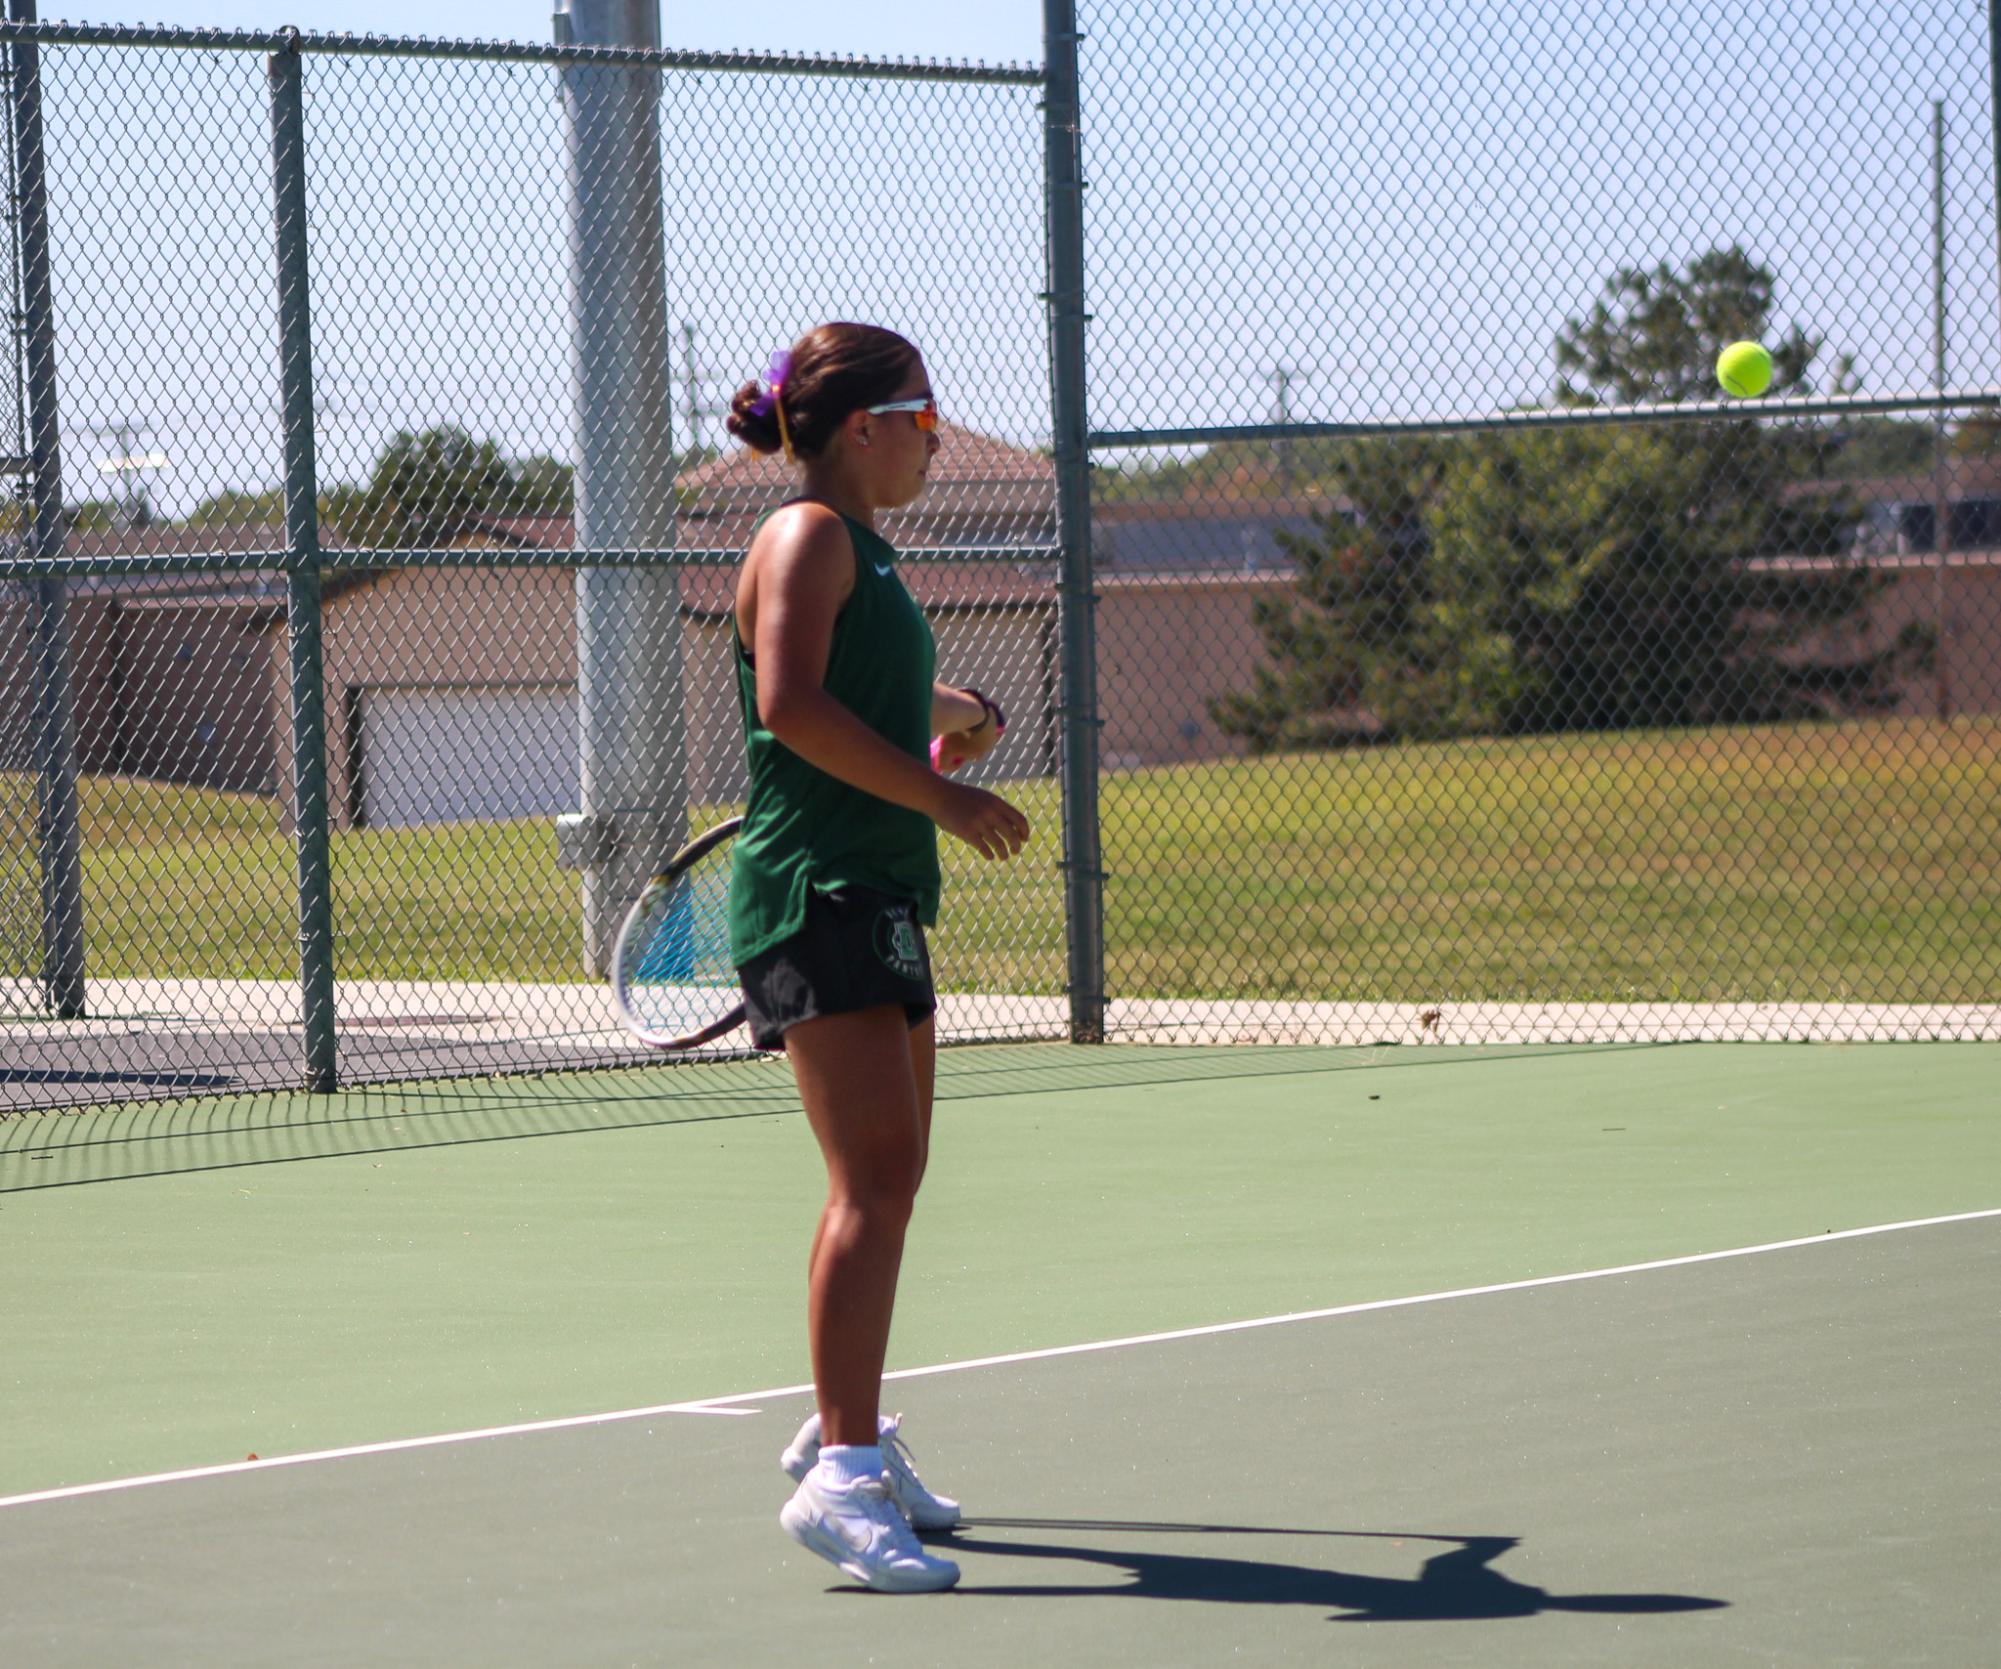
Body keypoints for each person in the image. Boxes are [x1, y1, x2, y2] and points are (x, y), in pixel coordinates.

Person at [724, 322, 1031, 1593]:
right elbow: (789, 705)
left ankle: (846, 1431)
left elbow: (861, 691)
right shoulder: (807, 536)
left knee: (888, 1180)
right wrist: (943, 796)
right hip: (820, 894)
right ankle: (844, 1476)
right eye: (923, 415)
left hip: (879, 889)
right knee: (877, 1181)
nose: (936, 439)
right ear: (864, 427)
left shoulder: (874, 557)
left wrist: (951, 718)